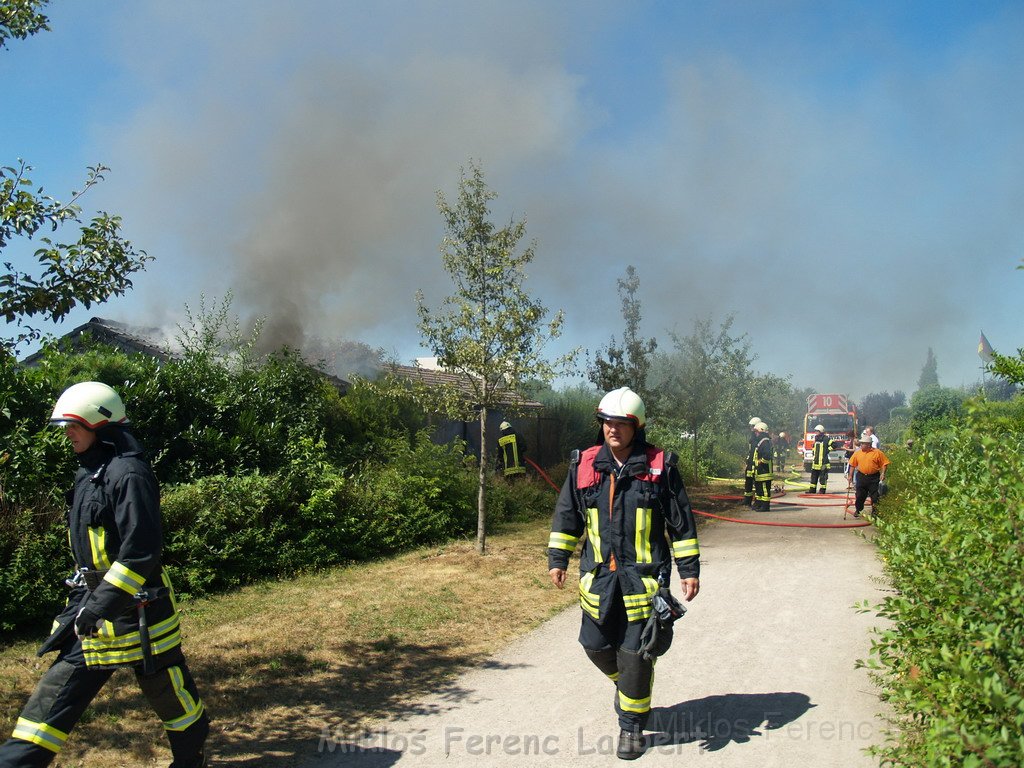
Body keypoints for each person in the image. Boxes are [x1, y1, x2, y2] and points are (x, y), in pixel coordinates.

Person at [0, 382, 209, 768]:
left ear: (99, 423)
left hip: (138, 616)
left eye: (73, 425)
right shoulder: (89, 473)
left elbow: (141, 552)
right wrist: (87, 606)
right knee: (46, 708)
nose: (67, 434)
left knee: (173, 700)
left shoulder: (128, 475)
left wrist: (99, 606)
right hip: (93, 619)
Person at [547, 387, 700, 761]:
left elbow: (680, 522)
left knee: (634, 654)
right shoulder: (583, 464)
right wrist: (558, 557)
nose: (612, 430)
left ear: (637, 427)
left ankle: (631, 727)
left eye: (621, 424)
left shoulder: (660, 466)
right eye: (607, 423)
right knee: (595, 646)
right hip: (598, 578)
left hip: (644, 580)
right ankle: (631, 685)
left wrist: (689, 569)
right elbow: (567, 515)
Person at [846, 431, 890, 518]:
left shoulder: (877, 453)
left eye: (863, 444)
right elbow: (852, 465)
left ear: (869, 444)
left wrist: (883, 474)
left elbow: (885, 463)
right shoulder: (858, 453)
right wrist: (850, 476)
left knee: (875, 497)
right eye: (861, 443)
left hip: (873, 478)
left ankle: (875, 513)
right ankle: (858, 510)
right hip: (861, 476)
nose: (861, 445)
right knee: (859, 496)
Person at [808, 424, 841, 495]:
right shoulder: (816, 439)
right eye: (815, 431)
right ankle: (812, 490)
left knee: (823, 478)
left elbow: (834, 445)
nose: (816, 433)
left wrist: (827, 450)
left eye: (817, 431)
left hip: (823, 463)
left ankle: (822, 490)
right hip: (816, 463)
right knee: (813, 477)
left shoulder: (826, 439)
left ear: (821, 431)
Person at [752, 423, 773, 511]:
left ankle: (765, 506)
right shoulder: (762, 441)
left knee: (764, 490)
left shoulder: (765, 442)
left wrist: (761, 461)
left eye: (757, 432)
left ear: (762, 431)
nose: (755, 433)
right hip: (760, 471)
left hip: (765, 471)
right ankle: (760, 504)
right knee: (759, 489)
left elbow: (767, 455)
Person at [742, 417, 761, 507]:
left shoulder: (759, 437)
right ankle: (747, 500)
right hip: (750, 463)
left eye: (752, 426)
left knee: (757, 483)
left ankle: (757, 501)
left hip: (756, 464)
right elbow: (751, 451)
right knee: (748, 481)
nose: (751, 428)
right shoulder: (753, 437)